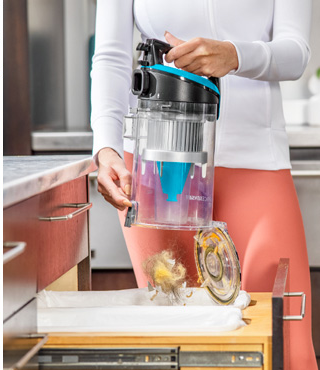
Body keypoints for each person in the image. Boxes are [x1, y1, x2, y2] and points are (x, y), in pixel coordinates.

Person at [91, 1, 315, 368]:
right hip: (158, 166)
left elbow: (296, 52)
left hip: (256, 161)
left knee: (284, 339)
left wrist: (235, 55)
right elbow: (111, 57)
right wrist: (107, 148)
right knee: (177, 343)